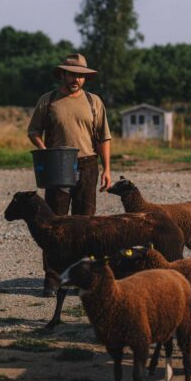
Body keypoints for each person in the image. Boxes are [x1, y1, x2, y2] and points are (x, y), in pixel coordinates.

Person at [28, 53, 112, 296]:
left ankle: (81, 277)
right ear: (63, 74)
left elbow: (104, 137)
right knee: (54, 224)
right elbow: (33, 131)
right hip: (58, 164)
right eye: (72, 74)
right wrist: (45, 151)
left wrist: (107, 169)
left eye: (81, 76)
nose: (76, 79)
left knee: (86, 224)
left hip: (88, 164)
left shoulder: (94, 102)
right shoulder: (48, 100)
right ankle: (52, 279)